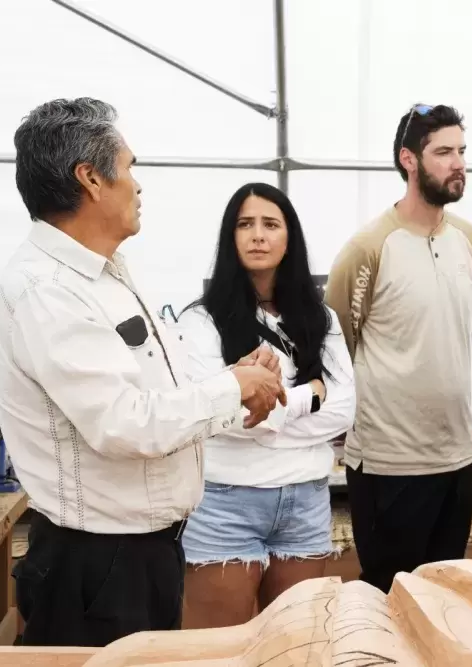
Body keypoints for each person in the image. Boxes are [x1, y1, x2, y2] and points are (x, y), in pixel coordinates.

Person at [0, 98, 285, 647]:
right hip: (99, 566)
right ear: (90, 179)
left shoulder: (104, 273)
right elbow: (125, 424)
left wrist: (234, 385)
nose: (138, 185)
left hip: (144, 553)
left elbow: (151, 397)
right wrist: (232, 388)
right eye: (129, 168)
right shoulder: (46, 289)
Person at [175, 183, 356, 628]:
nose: (258, 235)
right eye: (245, 224)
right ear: (229, 237)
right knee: (215, 653)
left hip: (306, 501)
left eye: (270, 224)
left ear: (289, 237)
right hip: (223, 504)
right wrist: (310, 394)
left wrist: (270, 402)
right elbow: (218, 416)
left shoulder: (321, 317)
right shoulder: (199, 320)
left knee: (296, 646)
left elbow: (344, 409)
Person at [323, 104, 472, 593]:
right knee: (388, 604)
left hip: (455, 459)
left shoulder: (468, 239)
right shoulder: (368, 246)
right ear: (408, 160)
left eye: (461, 151)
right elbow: (335, 350)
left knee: (444, 602)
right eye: (442, 153)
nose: (457, 163)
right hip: (388, 467)